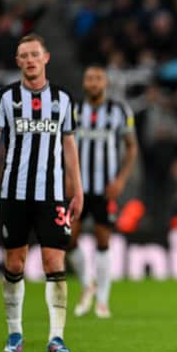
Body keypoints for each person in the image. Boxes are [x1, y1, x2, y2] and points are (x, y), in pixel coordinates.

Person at [0, 34, 83, 352]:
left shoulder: (64, 99)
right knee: (15, 263)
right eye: (23, 55)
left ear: (46, 58)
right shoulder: (6, 97)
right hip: (13, 192)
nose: (29, 60)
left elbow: (69, 145)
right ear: (17, 61)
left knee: (54, 262)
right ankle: (15, 334)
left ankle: (57, 337)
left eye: (34, 54)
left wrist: (76, 189)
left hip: (51, 195)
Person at [68, 65, 138, 318]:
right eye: (89, 78)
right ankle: (88, 284)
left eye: (98, 78)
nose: (94, 82)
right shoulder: (72, 110)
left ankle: (102, 301)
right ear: (84, 82)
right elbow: (61, 146)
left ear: (105, 82)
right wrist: (67, 176)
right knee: (69, 239)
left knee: (103, 240)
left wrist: (120, 180)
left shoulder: (119, 111)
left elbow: (131, 147)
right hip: (78, 188)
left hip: (106, 188)